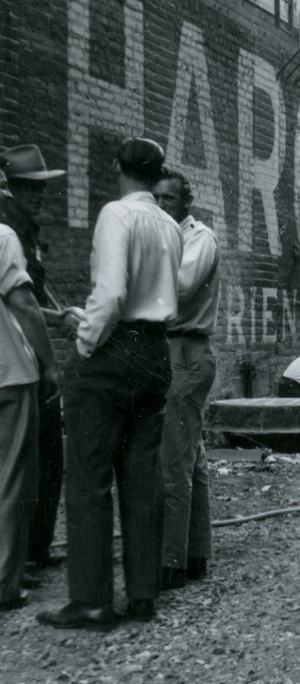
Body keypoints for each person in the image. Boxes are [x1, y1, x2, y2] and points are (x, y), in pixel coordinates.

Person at [38, 138, 181, 632]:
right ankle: (143, 594)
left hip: (113, 351)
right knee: (141, 475)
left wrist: (84, 343)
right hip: (155, 351)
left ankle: (92, 601)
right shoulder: (169, 223)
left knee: (89, 476)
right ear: (157, 174)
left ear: (119, 168)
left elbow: (113, 292)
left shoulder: (116, 214)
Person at [0, 145, 77, 576]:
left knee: (45, 457)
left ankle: (35, 550)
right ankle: (23, 556)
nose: (39, 196)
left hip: (24, 358)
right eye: (29, 188)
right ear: (8, 191)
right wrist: (54, 335)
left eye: (41, 188)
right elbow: (20, 305)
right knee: (29, 465)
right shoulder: (8, 234)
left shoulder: (26, 233)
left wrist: (57, 316)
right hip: (19, 361)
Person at [152, 169, 220, 592]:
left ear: (186, 203)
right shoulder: (166, 237)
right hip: (173, 350)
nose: (161, 206)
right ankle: (195, 554)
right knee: (191, 456)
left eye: (169, 199)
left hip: (186, 351)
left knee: (172, 461)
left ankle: (170, 561)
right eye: (156, 198)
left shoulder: (199, 238)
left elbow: (178, 287)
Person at [0, 168, 58, 613]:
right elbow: (22, 304)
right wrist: (51, 364)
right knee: (13, 479)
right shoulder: (4, 237)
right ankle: (6, 582)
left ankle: (18, 566)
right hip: (10, 373)